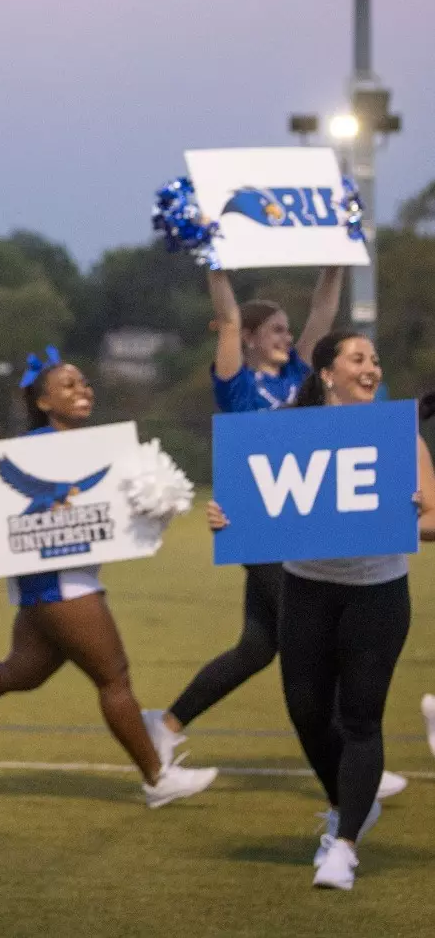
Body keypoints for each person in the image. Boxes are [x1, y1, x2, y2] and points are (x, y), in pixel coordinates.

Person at [0, 352, 219, 807]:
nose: (83, 390)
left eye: (85, 383)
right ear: (44, 402)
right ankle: (157, 777)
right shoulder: (33, 449)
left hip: (60, 581)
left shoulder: (91, 450)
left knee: (21, 672)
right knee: (114, 679)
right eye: (68, 385)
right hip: (61, 583)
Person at [141, 269, 407, 798]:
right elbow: (231, 318)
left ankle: (163, 727)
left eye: (290, 330)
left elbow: (323, 315)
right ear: (252, 338)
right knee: (317, 647)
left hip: (302, 531)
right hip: (261, 533)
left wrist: (335, 266)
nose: (289, 338)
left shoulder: (300, 380)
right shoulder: (239, 383)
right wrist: (216, 269)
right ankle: (355, 765)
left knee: (257, 648)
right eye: (278, 331)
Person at [206, 331, 434, 890]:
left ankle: (345, 845)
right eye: (358, 359)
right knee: (307, 712)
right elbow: (258, 505)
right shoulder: (288, 433)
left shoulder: (398, 437)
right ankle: (347, 805)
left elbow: (433, 519)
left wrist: (404, 517)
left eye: (376, 360)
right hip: (305, 589)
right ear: (327, 374)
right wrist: (226, 518)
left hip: (376, 593)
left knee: (360, 716)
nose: (372, 368)